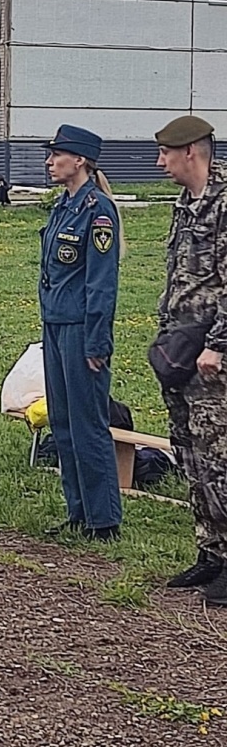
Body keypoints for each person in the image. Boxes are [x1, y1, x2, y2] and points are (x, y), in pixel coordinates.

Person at [153, 115, 227, 604]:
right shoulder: (185, 204)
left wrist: (219, 344)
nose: (160, 163)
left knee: (220, 456)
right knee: (191, 452)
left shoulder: (224, 205)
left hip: (212, 355)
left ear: (191, 153)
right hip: (181, 347)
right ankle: (212, 551)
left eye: (166, 154)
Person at [39, 124, 124, 542]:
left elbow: (101, 282)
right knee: (62, 421)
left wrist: (96, 341)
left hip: (80, 329)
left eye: (57, 155)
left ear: (81, 161)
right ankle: (78, 510)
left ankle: (103, 518)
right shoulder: (62, 207)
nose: (50, 162)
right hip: (55, 324)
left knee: (88, 422)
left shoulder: (98, 210)